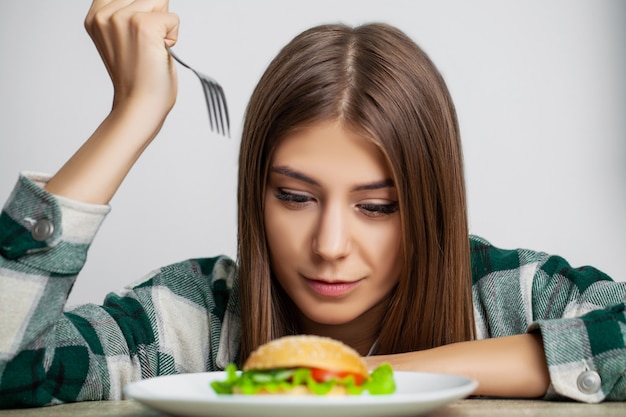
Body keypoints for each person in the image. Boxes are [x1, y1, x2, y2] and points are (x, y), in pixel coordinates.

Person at [0, 0, 624, 408]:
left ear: (431, 206)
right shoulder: (191, 317)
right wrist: (129, 117)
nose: (329, 245)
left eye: (377, 208)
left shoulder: (505, 291)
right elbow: (14, 365)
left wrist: (354, 377)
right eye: (295, 197)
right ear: (256, 194)